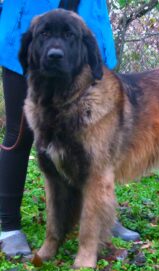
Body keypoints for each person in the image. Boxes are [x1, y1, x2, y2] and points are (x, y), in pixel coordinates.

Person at [0, 0, 139, 257]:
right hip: (28, 22)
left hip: (86, 32)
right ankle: (8, 227)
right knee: (18, 136)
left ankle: (101, 218)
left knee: (97, 143)